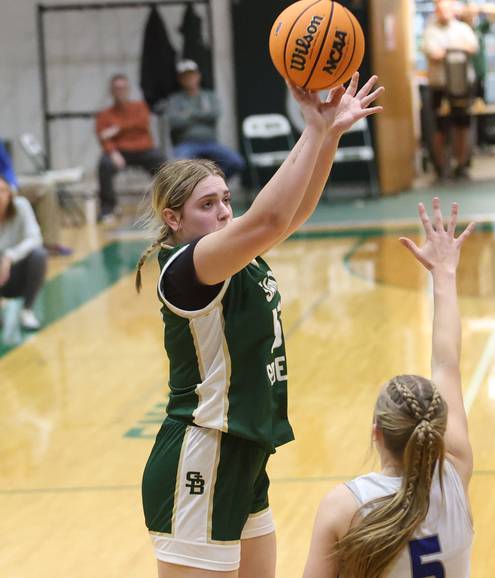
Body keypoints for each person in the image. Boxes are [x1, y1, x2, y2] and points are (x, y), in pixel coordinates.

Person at [136, 73, 383, 578]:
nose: (225, 212)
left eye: (227, 199)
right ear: (173, 218)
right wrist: (312, 130)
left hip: (244, 452)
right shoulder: (187, 268)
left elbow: (293, 213)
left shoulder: (234, 257)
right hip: (201, 450)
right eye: (208, 205)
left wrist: (329, 133)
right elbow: (269, 220)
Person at [302, 198, 476, 578]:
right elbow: (447, 362)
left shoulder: (345, 507)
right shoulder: (454, 479)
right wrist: (444, 274)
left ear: (376, 433)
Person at [96, 74, 167, 222]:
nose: (120, 91)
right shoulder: (104, 114)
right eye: (117, 88)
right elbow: (102, 137)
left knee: (162, 161)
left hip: (144, 150)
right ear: (112, 91)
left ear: (128, 90)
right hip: (121, 152)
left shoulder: (140, 106)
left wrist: (117, 129)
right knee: (105, 164)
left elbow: (141, 124)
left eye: (123, 88)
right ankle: (108, 207)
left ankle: (166, 202)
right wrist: (113, 152)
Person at [423, 0, 479, 180]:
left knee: (462, 125)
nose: (444, 12)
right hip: (439, 87)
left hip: (462, 86)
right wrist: (455, 49)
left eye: (447, 8)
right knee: (440, 128)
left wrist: (447, 49)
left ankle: (460, 165)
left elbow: (472, 48)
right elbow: (434, 55)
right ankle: (441, 168)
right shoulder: (430, 32)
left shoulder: (463, 29)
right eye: (441, 9)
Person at [165, 60, 245, 180]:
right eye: (185, 77)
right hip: (186, 143)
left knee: (236, 161)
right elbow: (174, 122)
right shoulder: (175, 99)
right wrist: (202, 115)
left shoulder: (209, 96)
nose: (189, 79)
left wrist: (188, 114)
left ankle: (213, 183)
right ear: (180, 79)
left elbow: (214, 114)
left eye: (192, 75)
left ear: (198, 76)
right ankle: (196, 188)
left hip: (210, 142)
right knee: (178, 166)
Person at [0, 141, 71, 256]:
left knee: (46, 186)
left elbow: (7, 166)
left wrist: (11, 186)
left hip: (4, 184)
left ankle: (49, 243)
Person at [0, 176, 47, 331]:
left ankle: (27, 311)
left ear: (9, 193)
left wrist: (9, 256)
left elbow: (35, 238)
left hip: (17, 273)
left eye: (2, 190)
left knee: (39, 255)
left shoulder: (21, 206)